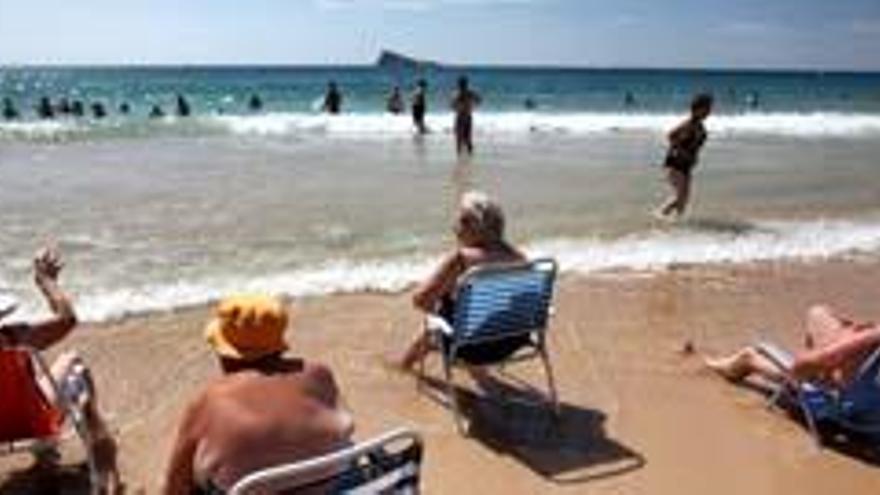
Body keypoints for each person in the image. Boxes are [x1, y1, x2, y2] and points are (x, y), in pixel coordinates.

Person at [163, 294, 354, 495]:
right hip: (331, 486)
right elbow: (345, 427)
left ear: (228, 355)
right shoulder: (319, 373)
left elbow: (175, 485)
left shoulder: (209, 401)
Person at [0, 247, 120, 493]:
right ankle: (99, 445)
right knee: (73, 361)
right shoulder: (14, 337)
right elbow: (68, 318)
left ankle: (46, 456)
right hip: (31, 423)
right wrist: (46, 282)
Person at [396, 191, 528, 371]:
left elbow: (419, 300)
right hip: (511, 343)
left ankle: (403, 368)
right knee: (459, 308)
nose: (455, 229)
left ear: (472, 226)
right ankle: (404, 366)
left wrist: (443, 299)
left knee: (441, 311)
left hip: (470, 349)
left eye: (459, 222)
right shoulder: (521, 259)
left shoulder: (462, 260)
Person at [703, 305, 880, 389]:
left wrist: (797, 376)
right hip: (867, 401)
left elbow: (803, 366)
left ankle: (726, 364)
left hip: (838, 393)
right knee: (826, 316)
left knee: (817, 313)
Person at [655, 93, 713, 219]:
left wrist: (695, 157)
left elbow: (695, 146)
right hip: (675, 163)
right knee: (680, 195)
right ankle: (660, 215)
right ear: (697, 109)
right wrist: (682, 151)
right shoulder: (688, 124)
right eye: (707, 108)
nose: (709, 112)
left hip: (686, 165)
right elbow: (670, 136)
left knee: (685, 198)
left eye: (710, 109)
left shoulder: (700, 127)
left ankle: (675, 222)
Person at [450, 76, 481, 156]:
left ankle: (461, 156)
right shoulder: (469, 92)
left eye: (461, 84)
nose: (461, 86)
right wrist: (472, 107)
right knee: (466, 138)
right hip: (466, 116)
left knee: (460, 138)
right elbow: (479, 100)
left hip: (461, 117)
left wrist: (459, 107)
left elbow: (452, 106)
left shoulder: (457, 93)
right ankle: (468, 155)